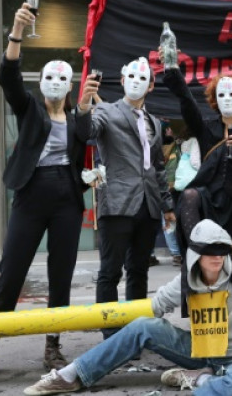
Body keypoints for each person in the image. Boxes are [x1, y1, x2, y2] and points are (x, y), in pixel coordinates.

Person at [0, 4, 91, 383]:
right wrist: (17, 32)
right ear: (42, 85)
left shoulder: (76, 119)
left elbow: (85, 149)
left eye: (61, 78)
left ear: (69, 86)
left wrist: (90, 175)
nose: (54, 82)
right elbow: (9, 78)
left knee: (61, 272)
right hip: (31, 193)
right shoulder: (30, 110)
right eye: (49, 77)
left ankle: (52, 345)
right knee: (12, 272)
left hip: (67, 199)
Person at [22, 219, 232, 396]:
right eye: (209, 250)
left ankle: (202, 380)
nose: (216, 256)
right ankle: (72, 375)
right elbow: (155, 308)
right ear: (195, 254)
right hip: (201, 350)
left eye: (221, 250)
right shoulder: (185, 281)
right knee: (143, 326)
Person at [76, 56, 175, 340]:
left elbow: (156, 168)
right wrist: (84, 105)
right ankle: (109, 335)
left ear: (150, 86)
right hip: (117, 204)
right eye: (130, 77)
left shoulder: (155, 122)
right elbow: (86, 132)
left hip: (148, 206)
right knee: (110, 271)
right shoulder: (106, 111)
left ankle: (134, 330)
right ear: (121, 81)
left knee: (139, 271)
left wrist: (167, 206)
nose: (135, 82)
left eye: (142, 78)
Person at [161, 61, 232, 248]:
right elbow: (188, 103)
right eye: (222, 95)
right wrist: (172, 68)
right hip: (210, 199)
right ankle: (197, 252)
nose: (227, 99)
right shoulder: (207, 129)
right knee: (189, 196)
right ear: (215, 100)